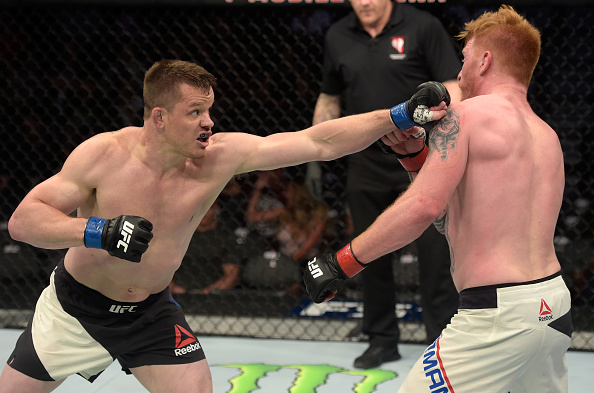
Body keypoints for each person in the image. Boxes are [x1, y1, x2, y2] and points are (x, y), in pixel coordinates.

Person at [0, 59, 448, 393]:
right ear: (159, 117)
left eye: (209, 109)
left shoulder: (218, 157)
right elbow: (24, 221)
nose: (209, 122)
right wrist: (96, 231)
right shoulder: (103, 155)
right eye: (195, 112)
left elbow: (317, 142)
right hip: (74, 309)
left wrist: (398, 115)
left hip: (149, 314)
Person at [304, 5, 573, 392]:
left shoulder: (465, 116)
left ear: (484, 60)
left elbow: (422, 207)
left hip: (495, 316)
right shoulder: (547, 136)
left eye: (464, 60)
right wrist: (414, 158)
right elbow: (449, 221)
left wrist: (340, 262)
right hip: (552, 307)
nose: (459, 74)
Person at [311, 0, 462, 368]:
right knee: (368, 253)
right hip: (366, 162)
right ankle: (381, 339)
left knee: (436, 256)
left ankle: (440, 343)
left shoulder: (422, 26)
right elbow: (330, 96)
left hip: (424, 157)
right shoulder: (338, 34)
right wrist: (316, 156)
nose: (364, 2)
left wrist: (448, 145)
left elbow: (453, 87)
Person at [169, 200, 242, 295]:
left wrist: (208, 292)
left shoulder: (225, 237)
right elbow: (160, 267)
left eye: (207, 208)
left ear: (215, 210)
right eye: (199, 209)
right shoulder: (179, 236)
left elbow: (232, 275)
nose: (203, 213)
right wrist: (173, 288)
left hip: (212, 295)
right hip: (176, 292)